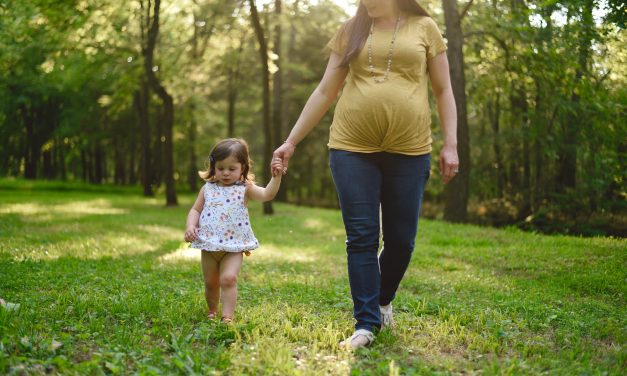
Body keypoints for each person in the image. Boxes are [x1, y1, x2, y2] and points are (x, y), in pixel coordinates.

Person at [272, 0, 459, 349]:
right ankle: (366, 323)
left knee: (402, 240)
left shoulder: (424, 28)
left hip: (410, 149)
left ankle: (382, 299)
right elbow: (326, 90)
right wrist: (291, 141)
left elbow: (443, 89)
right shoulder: (350, 31)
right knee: (362, 236)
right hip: (351, 148)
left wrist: (451, 143)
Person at [185, 138, 284, 323]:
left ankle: (227, 317)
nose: (226, 173)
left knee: (229, 279)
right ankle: (212, 310)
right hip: (209, 245)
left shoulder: (245, 189)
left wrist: (276, 177)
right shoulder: (208, 189)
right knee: (211, 283)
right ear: (213, 167)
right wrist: (191, 226)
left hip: (234, 247)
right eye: (221, 168)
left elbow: (267, 194)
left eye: (232, 169)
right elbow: (195, 210)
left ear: (243, 168)